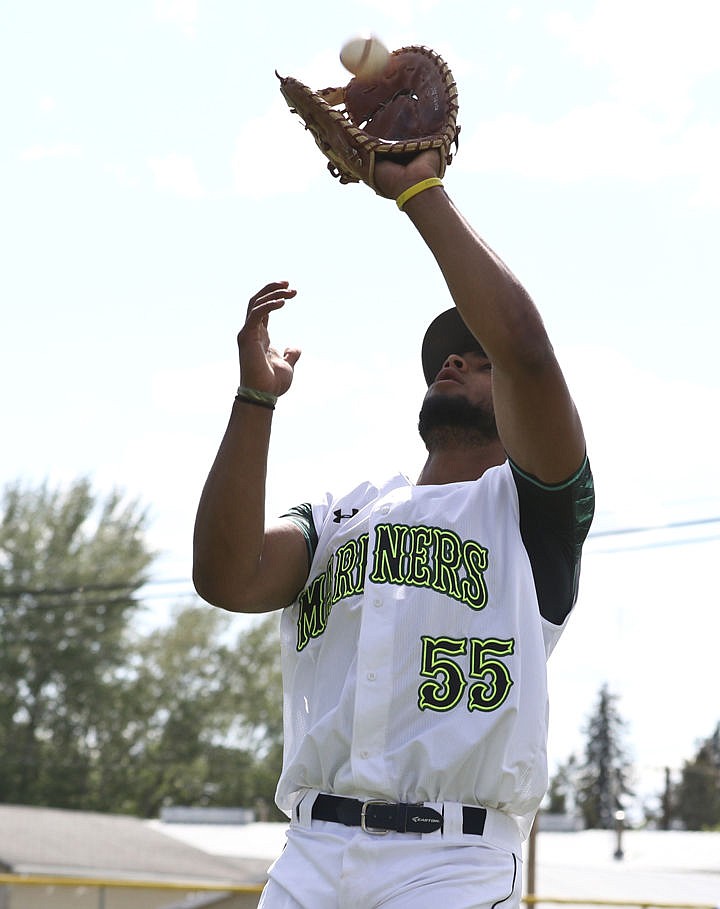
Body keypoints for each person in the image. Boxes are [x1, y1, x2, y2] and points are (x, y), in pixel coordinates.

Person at [193, 149, 595, 909]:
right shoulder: (342, 513)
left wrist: (417, 189)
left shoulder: (533, 509)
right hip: (310, 848)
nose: (455, 361)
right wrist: (254, 400)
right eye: (449, 355)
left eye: (480, 360)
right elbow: (226, 575)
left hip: (453, 858)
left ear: (515, 398)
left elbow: (527, 350)